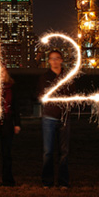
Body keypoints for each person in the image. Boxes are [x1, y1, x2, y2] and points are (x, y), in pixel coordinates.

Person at [37, 50, 74, 189]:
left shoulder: (67, 77)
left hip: (64, 117)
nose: (54, 61)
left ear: (61, 60)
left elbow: (72, 94)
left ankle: (63, 181)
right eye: (52, 59)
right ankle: (47, 181)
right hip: (49, 117)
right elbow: (40, 94)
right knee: (48, 151)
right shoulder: (44, 77)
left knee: (64, 152)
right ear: (49, 61)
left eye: (57, 58)